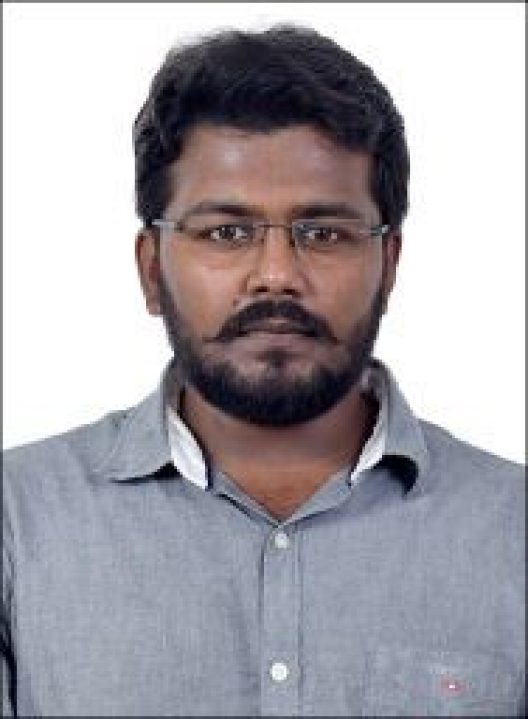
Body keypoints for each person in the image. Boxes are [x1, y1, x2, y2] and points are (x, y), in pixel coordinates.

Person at [2, 24, 524, 718]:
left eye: (324, 233)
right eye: (227, 232)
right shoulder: (17, 520)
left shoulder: (513, 530)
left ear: (389, 265)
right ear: (152, 269)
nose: (276, 274)